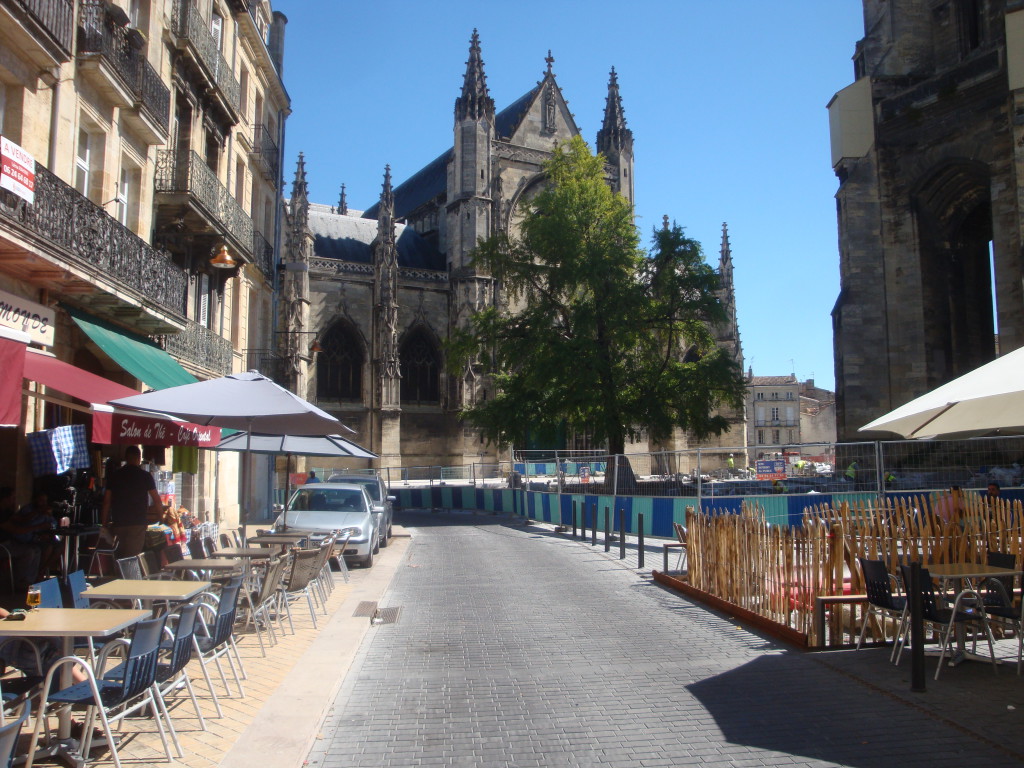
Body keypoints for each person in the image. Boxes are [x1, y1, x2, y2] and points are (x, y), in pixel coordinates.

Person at [101, 446, 162, 558]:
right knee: (131, 559)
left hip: (118, 522)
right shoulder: (145, 476)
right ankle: (124, 576)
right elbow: (157, 500)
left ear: (126, 458)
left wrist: (104, 524)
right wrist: (161, 518)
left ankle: (118, 574)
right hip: (137, 523)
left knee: (119, 558)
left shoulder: (115, 476)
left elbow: (106, 502)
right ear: (139, 458)